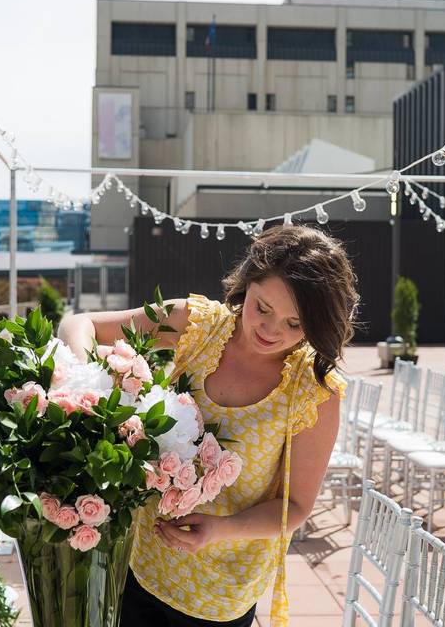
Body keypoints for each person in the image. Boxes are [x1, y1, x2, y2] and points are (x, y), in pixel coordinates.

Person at [57, 225, 359, 627]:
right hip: (138, 561)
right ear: (246, 284)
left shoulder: (314, 391)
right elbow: (79, 326)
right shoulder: (197, 326)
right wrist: (89, 393)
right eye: (263, 308)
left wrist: (221, 529)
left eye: (295, 323)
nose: (271, 331)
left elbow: (297, 507)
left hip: (219, 595)